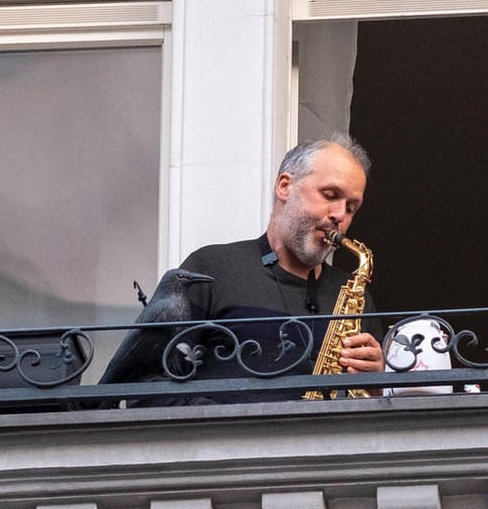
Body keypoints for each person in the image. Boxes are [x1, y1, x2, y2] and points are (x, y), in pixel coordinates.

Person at [101, 134, 384, 398]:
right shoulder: (211, 269)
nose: (339, 215)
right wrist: (233, 427)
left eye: (350, 207)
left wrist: (377, 385)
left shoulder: (355, 298)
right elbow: (148, 388)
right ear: (285, 186)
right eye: (330, 195)